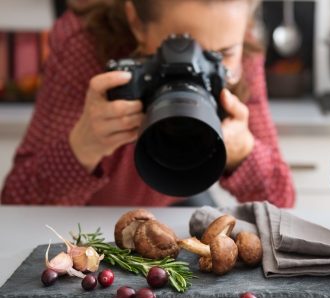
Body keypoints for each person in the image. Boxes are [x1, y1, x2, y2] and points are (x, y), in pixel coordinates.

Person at [1, 0, 295, 207]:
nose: (196, 68)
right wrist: (82, 146)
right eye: (179, 48)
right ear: (136, 22)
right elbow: (16, 201)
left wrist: (244, 152)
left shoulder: (242, 53)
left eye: (222, 53)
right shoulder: (83, 44)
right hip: (83, 212)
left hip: (177, 200)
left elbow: (283, 200)